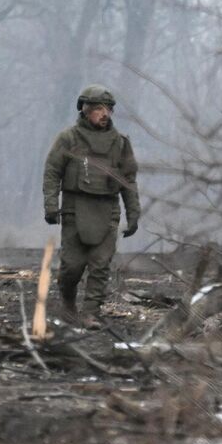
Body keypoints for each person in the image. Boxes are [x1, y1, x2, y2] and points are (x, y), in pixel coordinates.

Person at [40, 84, 141, 324]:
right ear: (85, 110)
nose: (104, 114)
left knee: (101, 264)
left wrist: (133, 214)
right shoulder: (68, 139)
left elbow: (129, 181)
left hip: (108, 210)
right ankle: (67, 302)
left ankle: (91, 313)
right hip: (75, 208)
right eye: (98, 109)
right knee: (72, 267)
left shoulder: (120, 143)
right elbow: (52, 171)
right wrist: (51, 205)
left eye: (108, 109)